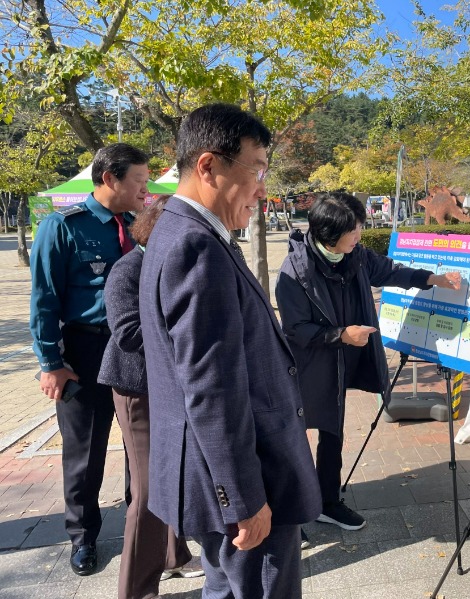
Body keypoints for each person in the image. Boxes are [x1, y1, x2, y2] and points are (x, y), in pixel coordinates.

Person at [139, 103, 321, 599]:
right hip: (243, 480)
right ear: (208, 166)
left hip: (217, 473)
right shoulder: (195, 246)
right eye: (257, 170)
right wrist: (243, 498)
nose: (263, 188)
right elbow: (211, 388)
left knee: (225, 588)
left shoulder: (177, 230)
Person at [275, 192, 461, 534]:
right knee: (296, 435)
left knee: (332, 430)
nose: (359, 234)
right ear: (329, 233)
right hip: (307, 363)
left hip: (342, 358)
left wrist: (433, 279)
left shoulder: (356, 256)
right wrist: (341, 335)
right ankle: (293, 512)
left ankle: (327, 502)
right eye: (353, 229)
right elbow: (296, 329)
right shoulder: (296, 270)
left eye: (359, 226)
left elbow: (390, 271)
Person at [29, 143, 149, 576]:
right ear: (110, 178)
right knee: (84, 453)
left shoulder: (138, 226)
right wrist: (50, 363)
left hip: (134, 350)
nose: (146, 190)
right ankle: (83, 538)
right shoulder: (63, 227)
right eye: (139, 181)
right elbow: (44, 300)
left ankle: (142, 530)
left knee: (141, 448)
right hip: (84, 350)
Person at [97, 197, 203, 599]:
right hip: (136, 387)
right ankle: (137, 589)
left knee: (171, 475)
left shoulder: (175, 265)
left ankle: (174, 555)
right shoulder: (128, 269)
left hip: (171, 385)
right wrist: (191, 330)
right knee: (146, 489)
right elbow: (128, 333)